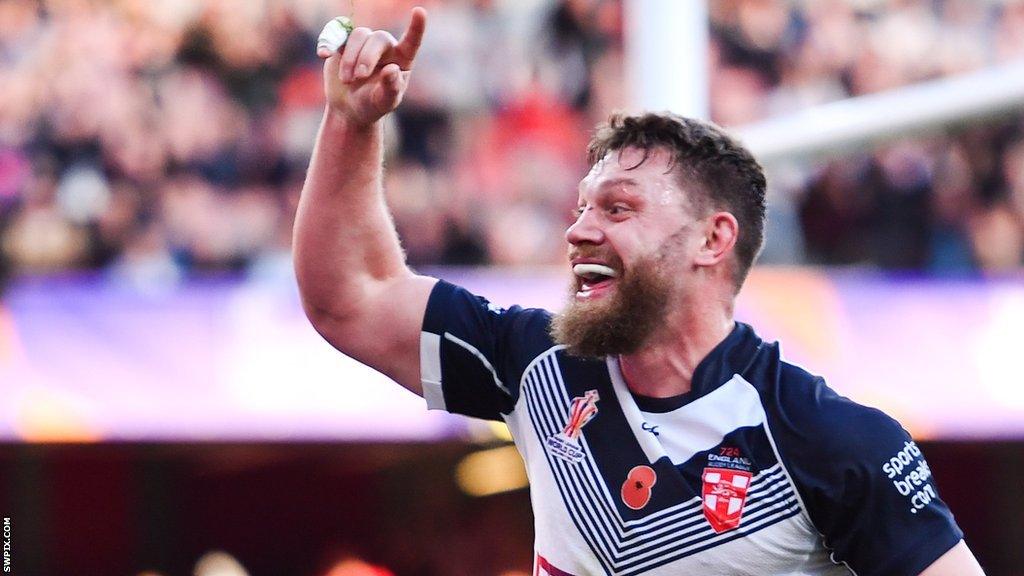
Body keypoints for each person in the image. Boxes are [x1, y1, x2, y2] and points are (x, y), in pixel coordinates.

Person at [294, 8, 985, 576]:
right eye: (581, 208)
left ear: (712, 241)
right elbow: (349, 296)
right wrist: (352, 124)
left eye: (617, 209)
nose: (578, 232)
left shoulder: (826, 437)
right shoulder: (537, 362)